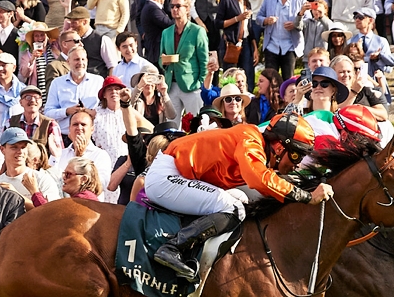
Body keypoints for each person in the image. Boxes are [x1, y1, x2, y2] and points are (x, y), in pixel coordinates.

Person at [146, 114, 344, 277]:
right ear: (279, 147)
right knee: (234, 208)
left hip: (178, 175)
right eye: (296, 155)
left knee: (240, 200)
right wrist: (307, 197)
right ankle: (173, 248)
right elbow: (259, 179)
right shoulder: (250, 138)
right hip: (167, 176)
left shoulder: (255, 143)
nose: (297, 163)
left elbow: (267, 179)